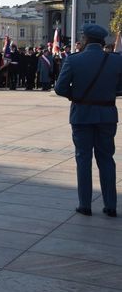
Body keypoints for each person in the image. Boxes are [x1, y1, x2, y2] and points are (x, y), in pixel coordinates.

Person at [55, 24, 122, 218]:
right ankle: (110, 205)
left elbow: (60, 88)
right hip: (107, 114)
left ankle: (85, 205)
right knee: (106, 159)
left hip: (82, 114)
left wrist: (77, 96)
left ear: (85, 40)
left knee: (83, 159)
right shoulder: (116, 61)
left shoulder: (74, 60)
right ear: (101, 41)